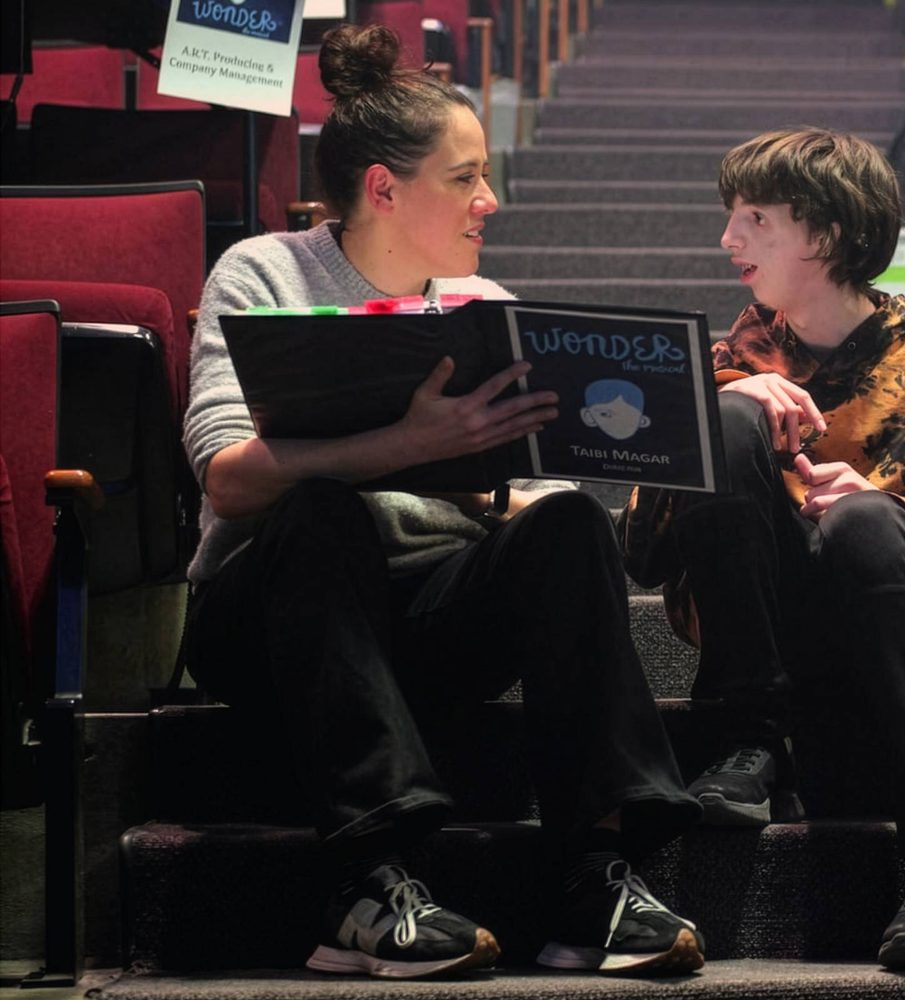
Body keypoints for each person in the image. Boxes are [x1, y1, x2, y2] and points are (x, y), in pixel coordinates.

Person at [181, 24, 703, 980]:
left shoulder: (481, 299)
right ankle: (370, 882)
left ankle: (597, 876)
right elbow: (227, 476)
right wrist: (402, 446)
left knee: (572, 521)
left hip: (424, 617)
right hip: (275, 619)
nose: (489, 200)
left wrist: (499, 486)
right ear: (385, 188)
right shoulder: (262, 273)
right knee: (321, 510)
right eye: (465, 178)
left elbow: (534, 494)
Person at [620, 128, 905, 970]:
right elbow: (643, 555)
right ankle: (752, 743)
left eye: (754, 218)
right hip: (755, 659)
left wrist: (897, 512)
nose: (728, 239)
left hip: (884, 654)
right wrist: (708, 402)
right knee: (729, 417)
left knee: (863, 519)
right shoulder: (719, 364)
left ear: (826, 233)